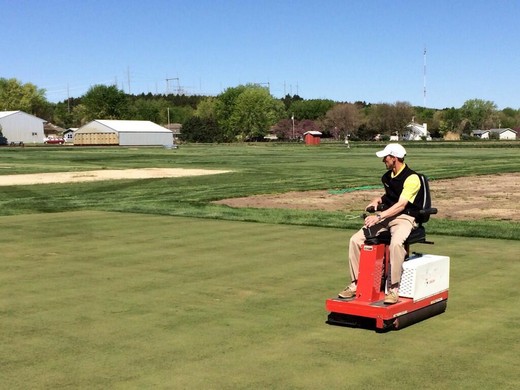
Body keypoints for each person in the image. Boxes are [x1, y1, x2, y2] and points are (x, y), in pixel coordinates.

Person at [338, 143, 424, 304]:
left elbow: (401, 205)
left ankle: (393, 289)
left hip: (405, 218)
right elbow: (389, 196)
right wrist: (377, 200)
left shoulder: (412, 178)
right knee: (355, 240)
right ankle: (356, 284)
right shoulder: (387, 177)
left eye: (386, 157)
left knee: (396, 244)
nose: (383, 160)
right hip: (387, 217)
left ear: (395, 158)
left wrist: (378, 217)